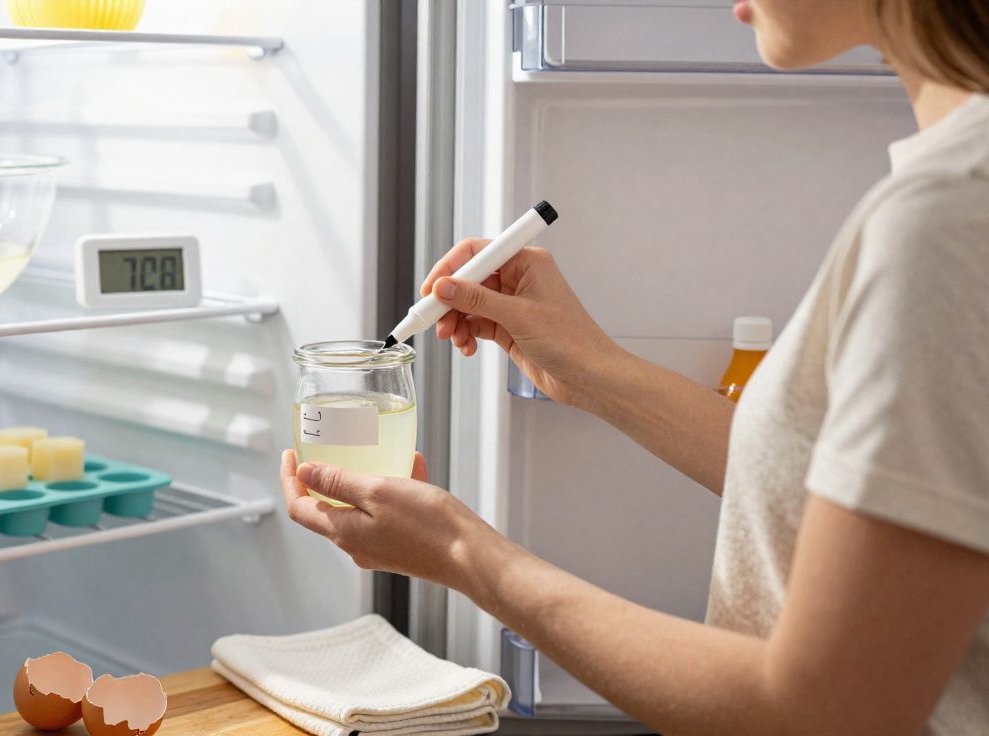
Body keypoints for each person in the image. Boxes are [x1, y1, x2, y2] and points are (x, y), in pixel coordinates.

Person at [280, 0, 989, 733]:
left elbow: (822, 709)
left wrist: (463, 552)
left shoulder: (949, 220)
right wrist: (589, 369)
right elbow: (836, 490)